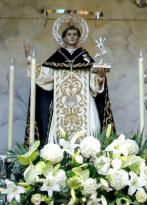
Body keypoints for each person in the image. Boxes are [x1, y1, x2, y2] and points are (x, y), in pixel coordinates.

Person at [24, 16, 113, 145]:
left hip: (85, 105)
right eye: (69, 34)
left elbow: (95, 84)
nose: (72, 37)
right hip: (61, 103)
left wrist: (99, 76)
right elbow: (45, 76)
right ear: (63, 37)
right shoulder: (57, 57)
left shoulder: (85, 57)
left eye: (75, 34)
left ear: (79, 37)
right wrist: (31, 62)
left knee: (90, 137)